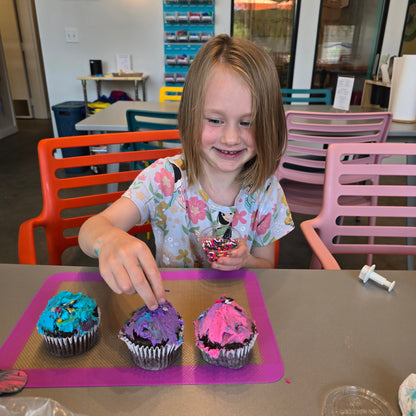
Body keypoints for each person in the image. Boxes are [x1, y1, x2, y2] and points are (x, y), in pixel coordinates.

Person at [78, 34, 294, 310]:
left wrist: (247, 261)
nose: (230, 138)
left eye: (247, 122)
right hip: (170, 310)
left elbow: (268, 268)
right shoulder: (164, 179)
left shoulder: (267, 191)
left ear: (269, 124)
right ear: (191, 116)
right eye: (215, 120)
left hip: (237, 316)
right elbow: (90, 229)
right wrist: (108, 239)